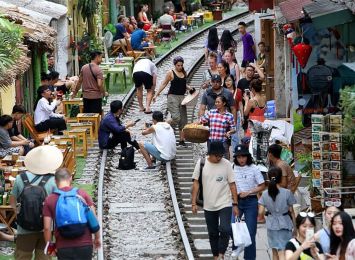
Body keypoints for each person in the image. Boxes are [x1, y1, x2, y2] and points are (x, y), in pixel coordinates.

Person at [9, 145, 62, 260]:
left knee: (22, 256)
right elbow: (58, 206)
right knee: (43, 256)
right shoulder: (54, 181)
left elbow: (12, 201)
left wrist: (20, 213)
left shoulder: (20, 178)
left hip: (24, 228)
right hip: (46, 227)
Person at [191, 141, 238, 260]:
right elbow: (195, 183)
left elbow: (232, 184)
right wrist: (193, 203)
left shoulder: (226, 164)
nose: (219, 158)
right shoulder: (201, 163)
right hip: (209, 204)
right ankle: (216, 256)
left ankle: (222, 253)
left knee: (225, 229)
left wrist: (235, 203)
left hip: (225, 202)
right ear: (210, 154)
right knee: (212, 233)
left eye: (221, 155)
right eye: (216, 155)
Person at [43, 168, 101, 260]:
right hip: (85, 244)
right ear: (70, 178)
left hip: (63, 246)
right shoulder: (82, 194)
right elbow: (93, 219)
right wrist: (97, 238)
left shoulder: (50, 199)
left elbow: (47, 228)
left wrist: (50, 247)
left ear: (55, 180)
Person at [232, 144, 266, 259]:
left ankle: (249, 257)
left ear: (247, 156)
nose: (241, 159)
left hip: (251, 202)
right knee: (232, 228)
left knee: (251, 232)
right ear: (236, 158)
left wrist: (249, 192)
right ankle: (235, 252)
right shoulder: (232, 168)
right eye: (239, 157)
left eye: (243, 157)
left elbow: (262, 185)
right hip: (236, 202)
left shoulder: (254, 168)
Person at [258, 167, 296, 260]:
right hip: (285, 224)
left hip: (271, 225)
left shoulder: (265, 194)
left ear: (268, 177)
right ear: (281, 178)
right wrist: (295, 227)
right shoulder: (287, 193)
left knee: (275, 252)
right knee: (283, 251)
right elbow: (291, 211)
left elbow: (260, 212)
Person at [153, 56, 191, 146]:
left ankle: (182, 140)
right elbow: (164, 83)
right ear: (175, 65)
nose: (180, 67)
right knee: (176, 118)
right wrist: (156, 94)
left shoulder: (184, 73)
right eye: (178, 65)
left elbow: (184, 84)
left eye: (181, 65)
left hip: (182, 97)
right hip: (172, 97)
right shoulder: (171, 73)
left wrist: (190, 88)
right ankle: (162, 125)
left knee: (183, 120)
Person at [225, 75, 243, 152]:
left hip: (236, 115)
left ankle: (235, 152)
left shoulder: (238, 91)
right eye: (226, 81)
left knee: (234, 134)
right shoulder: (223, 91)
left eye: (229, 80)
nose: (228, 82)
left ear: (233, 81)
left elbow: (240, 104)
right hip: (225, 114)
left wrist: (242, 116)